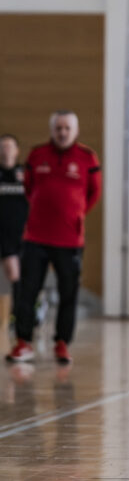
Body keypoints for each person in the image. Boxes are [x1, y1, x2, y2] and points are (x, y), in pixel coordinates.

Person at [6, 111, 101, 364]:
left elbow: (93, 193)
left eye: (67, 128)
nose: (62, 133)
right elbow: (28, 188)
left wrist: (74, 214)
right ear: (52, 130)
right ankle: (23, 343)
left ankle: (62, 343)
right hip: (36, 238)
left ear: (75, 131)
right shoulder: (37, 155)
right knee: (27, 291)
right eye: (58, 128)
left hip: (70, 241)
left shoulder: (87, 158)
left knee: (68, 293)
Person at [0, 134, 28, 342]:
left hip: (21, 236)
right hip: (1, 236)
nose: (6, 151)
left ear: (17, 151)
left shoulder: (25, 175)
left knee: (18, 278)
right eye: (2, 147)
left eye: (10, 147)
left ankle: (19, 318)